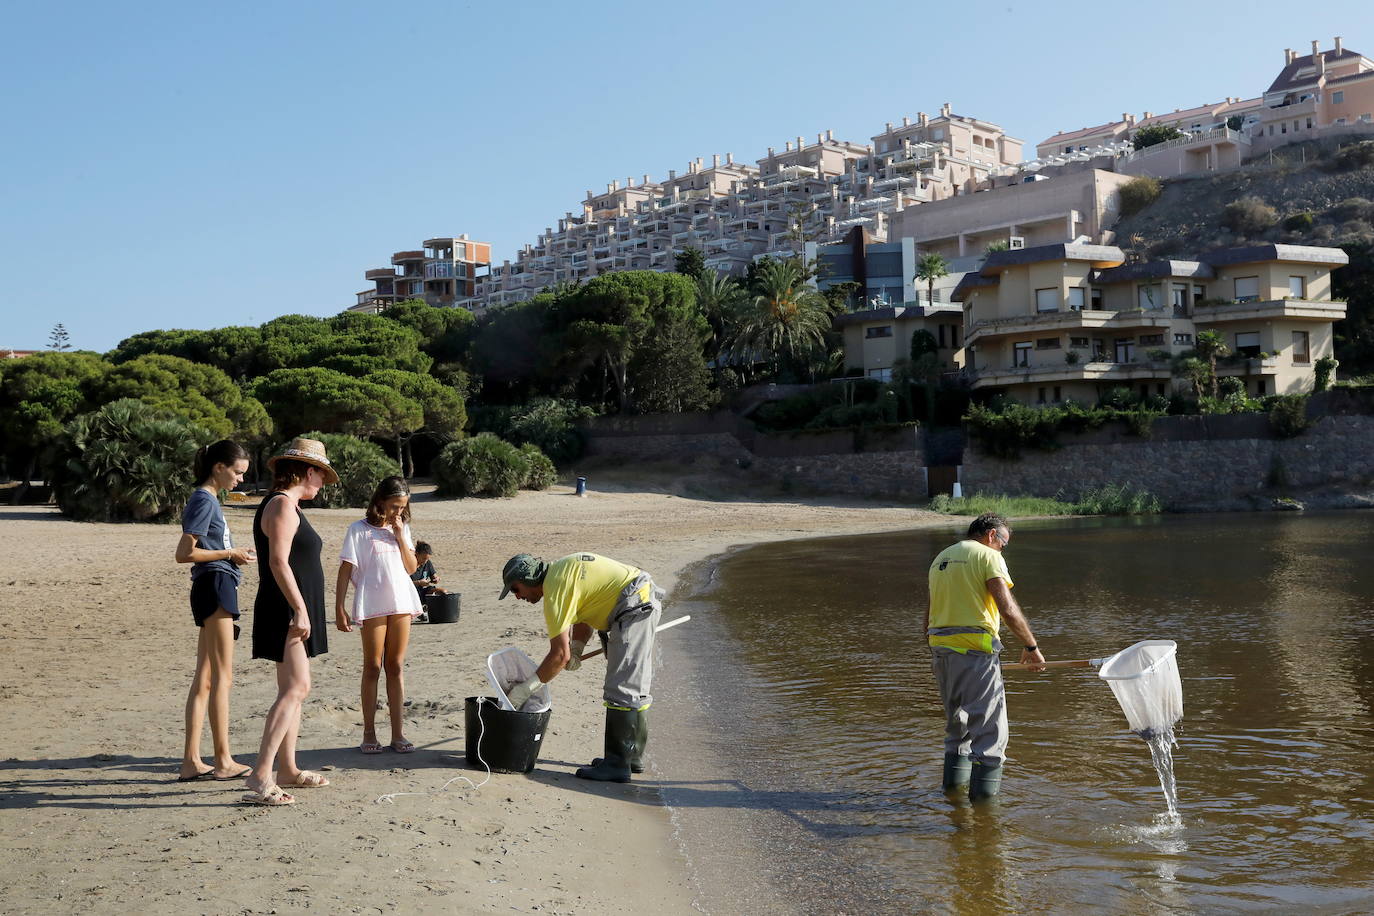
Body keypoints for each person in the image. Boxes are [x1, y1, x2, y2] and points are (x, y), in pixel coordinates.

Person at [499, 552, 663, 783]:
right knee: (632, 684)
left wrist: (525, 690)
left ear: (527, 580)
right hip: (636, 598)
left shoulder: (555, 592)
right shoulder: (560, 572)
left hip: (634, 606)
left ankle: (618, 764)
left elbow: (558, 656)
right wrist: (577, 647)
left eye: (515, 589)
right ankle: (630, 756)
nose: (517, 597)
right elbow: (584, 611)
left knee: (623, 689)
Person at [243, 438, 336, 806]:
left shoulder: (288, 504)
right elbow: (278, 562)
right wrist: (299, 608)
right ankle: (261, 774)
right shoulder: (282, 504)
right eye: (321, 476)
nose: (323, 484)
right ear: (308, 471)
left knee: (292, 688)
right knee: (297, 688)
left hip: (291, 606)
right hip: (285, 608)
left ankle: (288, 769)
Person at [927, 512, 1045, 801]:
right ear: (992, 535)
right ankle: (986, 816)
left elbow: (929, 612)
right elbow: (1007, 608)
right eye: (1004, 543)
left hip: (941, 650)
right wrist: (1031, 647)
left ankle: (953, 798)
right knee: (992, 736)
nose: (1003, 549)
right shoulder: (988, 557)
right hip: (976, 649)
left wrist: (935, 649)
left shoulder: (940, 559)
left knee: (958, 730)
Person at [174, 439, 255, 782]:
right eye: (237, 472)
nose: (239, 480)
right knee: (223, 677)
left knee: (205, 678)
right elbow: (183, 553)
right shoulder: (204, 500)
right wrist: (229, 554)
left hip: (211, 584)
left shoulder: (207, 500)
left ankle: (192, 761)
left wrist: (232, 553)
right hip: (215, 585)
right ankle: (223, 760)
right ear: (218, 467)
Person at [335, 476, 422, 755]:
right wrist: (339, 607)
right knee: (372, 666)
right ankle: (369, 733)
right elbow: (346, 570)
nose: (398, 512)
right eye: (394, 506)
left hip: (400, 601)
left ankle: (398, 733)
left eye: (402, 507)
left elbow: (410, 568)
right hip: (371, 602)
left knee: (395, 665)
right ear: (380, 502)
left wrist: (398, 535)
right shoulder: (358, 530)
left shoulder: (402, 529)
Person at [410, 540, 445, 624]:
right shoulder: (409, 563)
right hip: (410, 593)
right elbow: (402, 584)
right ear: (416, 554)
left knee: (442, 592)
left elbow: (434, 576)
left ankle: (423, 610)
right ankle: (417, 611)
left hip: (422, 591)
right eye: (423, 558)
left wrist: (436, 579)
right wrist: (418, 582)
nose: (425, 561)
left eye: (427, 559)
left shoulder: (427, 563)